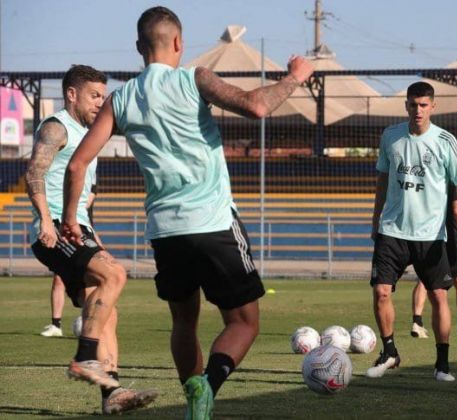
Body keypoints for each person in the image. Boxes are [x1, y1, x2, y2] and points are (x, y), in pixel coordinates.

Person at [61, 6, 314, 419]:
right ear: (179, 43)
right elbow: (256, 106)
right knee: (244, 323)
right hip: (213, 222)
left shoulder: (121, 99)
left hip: (165, 231)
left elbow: (77, 164)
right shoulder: (194, 78)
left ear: (139, 47)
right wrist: (294, 78)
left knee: (184, 322)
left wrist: (72, 219)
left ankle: (197, 405)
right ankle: (206, 386)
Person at [25, 65, 157, 414]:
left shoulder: (87, 136)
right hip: (54, 229)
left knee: (107, 313)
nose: (101, 102)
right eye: (94, 95)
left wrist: (95, 238)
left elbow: (81, 205)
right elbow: (34, 173)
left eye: (103, 95)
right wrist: (45, 222)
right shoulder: (56, 127)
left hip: (76, 229)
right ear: (72, 94)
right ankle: (85, 358)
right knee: (115, 276)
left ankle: (110, 393)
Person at [368, 81, 457, 382]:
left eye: (424, 105)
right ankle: (389, 351)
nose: (418, 110)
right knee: (380, 292)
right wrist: (376, 219)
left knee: (439, 295)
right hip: (392, 229)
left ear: (433, 106)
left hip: (430, 234)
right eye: (413, 104)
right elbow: (381, 180)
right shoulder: (390, 137)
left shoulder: (444, 140)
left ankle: (442, 364)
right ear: (406, 105)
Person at [411, 185, 457, 338]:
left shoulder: (428, 179)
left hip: (429, 234)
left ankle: (417, 322)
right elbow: (456, 209)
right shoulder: (449, 178)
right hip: (452, 236)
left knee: (424, 279)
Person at [39, 185, 95, 338]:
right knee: (58, 278)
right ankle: (56, 324)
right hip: (67, 227)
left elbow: (88, 200)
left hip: (83, 229)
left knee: (96, 280)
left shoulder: (89, 174)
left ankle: (96, 321)